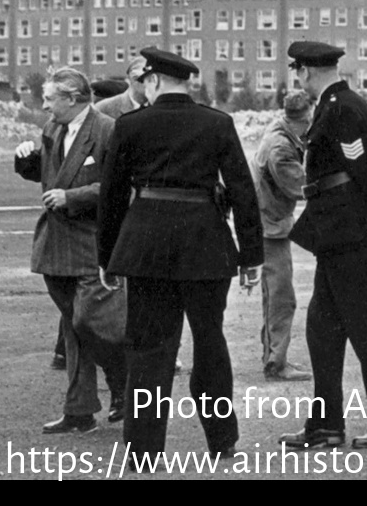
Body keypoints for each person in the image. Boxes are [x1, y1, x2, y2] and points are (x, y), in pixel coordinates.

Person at [96, 48, 262, 458]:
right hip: (206, 245)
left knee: (148, 352)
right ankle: (222, 442)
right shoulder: (218, 123)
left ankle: (143, 450)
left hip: (146, 248)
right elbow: (242, 191)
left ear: (151, 81)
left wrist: (107, 257)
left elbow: (112, 196)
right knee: (210, 344)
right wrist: (251, 255)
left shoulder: (131, 125)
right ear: (185, 83)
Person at [281, 41, 367, 451]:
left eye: (297, 70)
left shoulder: (342, 108)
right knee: (323, 331)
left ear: (307, 70)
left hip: (350, 233)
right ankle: (325, 426)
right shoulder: (339, 104)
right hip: (339, 233)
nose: (296, 77)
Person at [14, 67, 127, 433]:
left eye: (49, 99)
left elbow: (120, 188)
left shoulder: (108, 130)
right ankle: (80, 410)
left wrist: (72, 197)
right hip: (55, 244)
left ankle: (123, 384)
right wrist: (26, 161)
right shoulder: (53, 129)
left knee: (88, 322)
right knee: (73, 328)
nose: (44, 106)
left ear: (73, 99)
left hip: (93, 242)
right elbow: (49, 175)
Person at [253, 90, 314, 381]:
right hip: (270, 226)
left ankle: (272, 357)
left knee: (274, 294)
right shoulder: (281, 147)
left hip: (270, 221)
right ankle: (276, 363)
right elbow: (300, 186)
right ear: (305, 116)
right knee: (281, 297)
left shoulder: (281, 133)